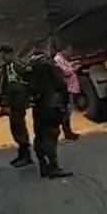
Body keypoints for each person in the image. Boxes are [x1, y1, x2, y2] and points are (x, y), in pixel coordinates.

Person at [27, 44, 73, 179]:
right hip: (51, 103)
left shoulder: (30, 67)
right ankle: (53, 166)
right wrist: (65, 101)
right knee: (51, 134)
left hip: (38, 105)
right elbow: (60, 83)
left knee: (40, 134)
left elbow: (29, 87)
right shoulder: (49, 65)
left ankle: (43, 164)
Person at [0, 44, 34, 167]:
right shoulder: (6, 67)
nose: (2, 57)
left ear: (9, 54)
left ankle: (26, 154)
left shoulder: (17, 65)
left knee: (19, 126)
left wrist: (27, 96)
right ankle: (21, 152)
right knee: (15, 127)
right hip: (12, 102)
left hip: (19, 101)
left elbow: (28, 78)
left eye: (4, 54)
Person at [53, 44, 81, 141]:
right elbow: (66, 72)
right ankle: (66, 132)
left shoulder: (62, 59)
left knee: (68, 111)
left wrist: (72, 65)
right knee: (66, 112)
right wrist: (74, 68)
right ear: (63, 50)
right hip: (67, 89)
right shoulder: (58, 59)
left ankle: (68, 132)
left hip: (70, 88)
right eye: (69, 50)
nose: (70, 53)